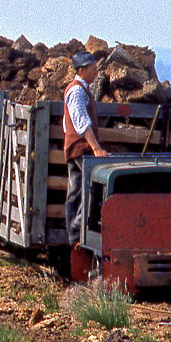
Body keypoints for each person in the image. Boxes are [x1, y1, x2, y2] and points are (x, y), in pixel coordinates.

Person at [63, 51, 108, 246]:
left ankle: (75, 237)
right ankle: (78, 232)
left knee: (75, 192)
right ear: (82, 70)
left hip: (75, 148)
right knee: (93, 188)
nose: (96, 71)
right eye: (92, 68)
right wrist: (96, 148)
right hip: (81, 149)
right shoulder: (77, 91)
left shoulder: (81, 89)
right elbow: (81, 122)